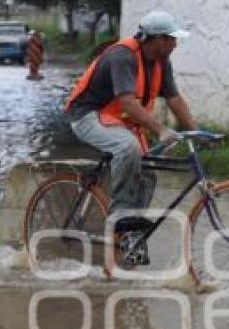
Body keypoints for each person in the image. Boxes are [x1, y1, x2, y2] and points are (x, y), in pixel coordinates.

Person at [64, 10, 198, 265]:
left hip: (119, 120)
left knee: (148, 170)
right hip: (87, 115)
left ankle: (130, 234)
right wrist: (160, 129)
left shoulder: (161, 61)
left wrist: (196, 131)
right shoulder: (122, 56)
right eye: (170, 39)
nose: (174, 44)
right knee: (127, 147)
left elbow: (174, 99)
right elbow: (127, 101)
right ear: (154, 39)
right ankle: (121, 217)